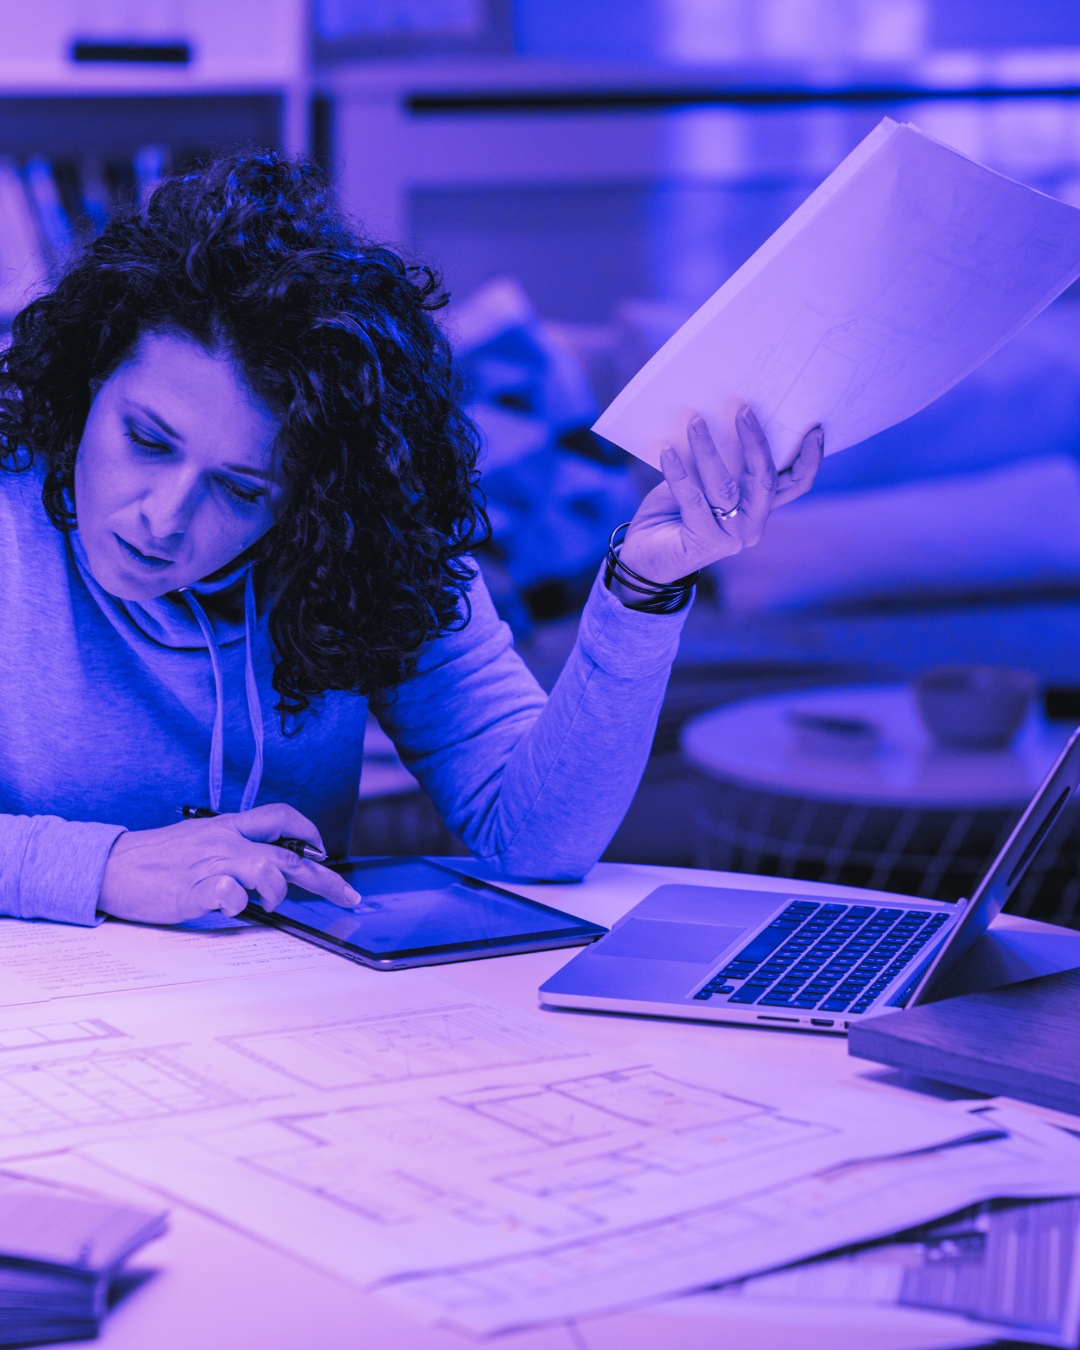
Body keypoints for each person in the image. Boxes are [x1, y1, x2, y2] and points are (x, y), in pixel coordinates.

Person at [0, 152, 822, 928]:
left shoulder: (361, 549)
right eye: (147, 440)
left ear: (306, 499)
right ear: (87, 383)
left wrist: (641, 594)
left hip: (274, 1019)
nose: (164, 515)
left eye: (241, 488)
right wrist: (100, 864)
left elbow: (533, 842)